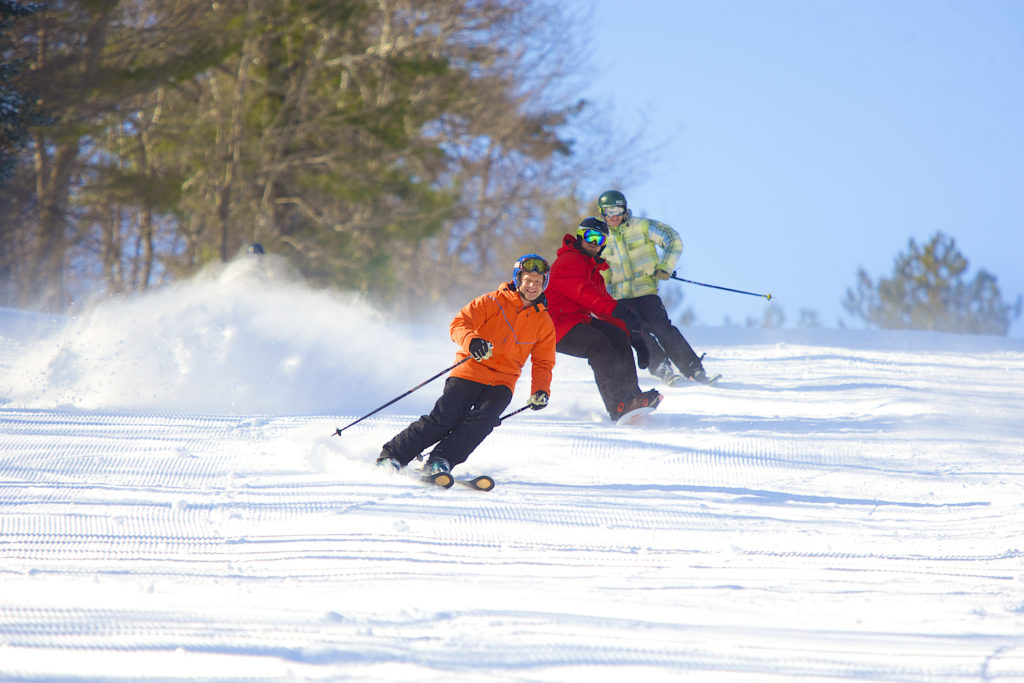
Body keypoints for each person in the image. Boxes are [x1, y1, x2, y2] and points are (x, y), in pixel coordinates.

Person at [376, 254, 556, 481]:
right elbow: (459, 324)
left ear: (544, 285)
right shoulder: (491, 302)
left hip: (503, 381)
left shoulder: (544, 322)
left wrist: (541, 390)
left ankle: (440, 461)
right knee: (445, 418)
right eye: (528, 280)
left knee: (483, 421)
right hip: (470, 370)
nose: (532, 286)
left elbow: (543, 362)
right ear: (518, 279)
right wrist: (472, 341)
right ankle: (392, 455)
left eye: (538, 282)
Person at [545, 217, 662, 423]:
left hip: (576, 321)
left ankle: (632, 396)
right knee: (599, 344)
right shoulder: (568, 261)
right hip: (554, 325)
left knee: (617, 336)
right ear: (580, 236)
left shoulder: (594, 272)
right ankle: (618, 405)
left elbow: (606, 310)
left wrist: (633, 336)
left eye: (600, 239)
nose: (593, 242)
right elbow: (585, 294)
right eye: (590, 236)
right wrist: (620, 311)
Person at [596, 189, 715, 385]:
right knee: (637, 331)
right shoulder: (600, 236)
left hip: (646, 291)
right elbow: (595, 266)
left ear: (625, 210)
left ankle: (693, 367)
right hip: (620, 297)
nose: (614, 216)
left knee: (662, 327)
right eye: (609, 212)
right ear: (602, 213)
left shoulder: (641, 226)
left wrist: (664, 267)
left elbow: (672, 239)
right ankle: (660, 366)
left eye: (617, 210)